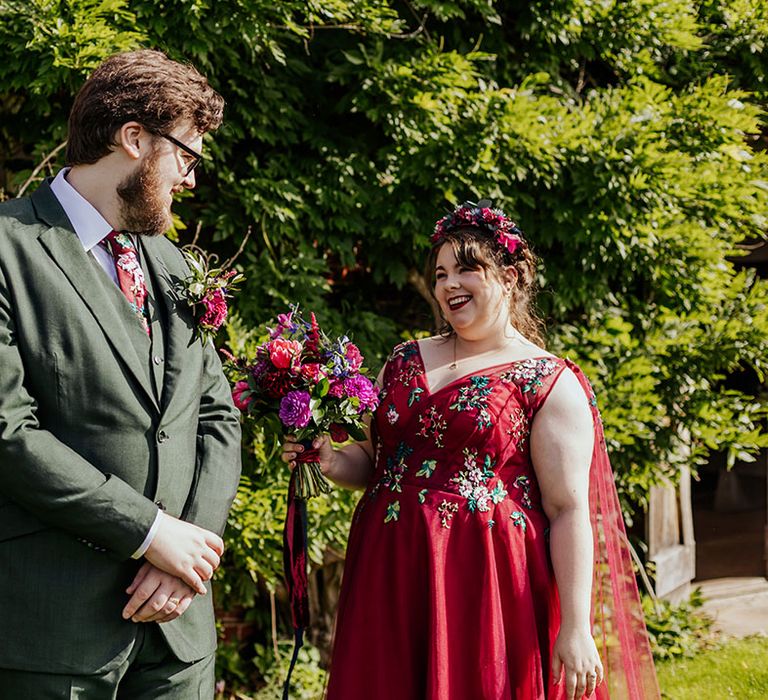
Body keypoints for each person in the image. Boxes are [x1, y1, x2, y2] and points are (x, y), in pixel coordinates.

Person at [283, 201, 659, 699]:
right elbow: (376, 464)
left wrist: (576, 625)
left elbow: (568, 512)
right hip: (390, 570)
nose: (448, 285)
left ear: (509, 277)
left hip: (484, 583)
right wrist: (330, 459)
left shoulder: (547, 380)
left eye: (466, 268)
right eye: (440, 274)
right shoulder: (402, 360)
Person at [0, 50, 241, 697]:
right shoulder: (8, 247)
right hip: (51, 628)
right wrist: (150, 533)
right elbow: (8, 432)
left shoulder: (172, 264)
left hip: (178, 637)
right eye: (186, 156)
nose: (190, 179)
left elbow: (216, 415)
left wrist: (191, 554)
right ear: (134, 137)